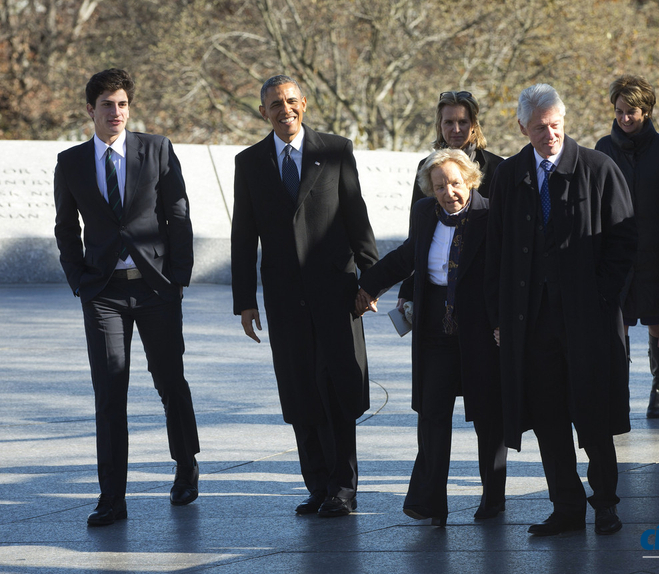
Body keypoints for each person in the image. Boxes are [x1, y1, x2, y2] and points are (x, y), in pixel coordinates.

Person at [486, 84, 636, 537]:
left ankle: (605, 504)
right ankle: (566, 508)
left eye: (555, 126)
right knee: (548, 419)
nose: (549, 135)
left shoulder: (598, 167)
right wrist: (498, 316)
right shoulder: (509, 175)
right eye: (539, 128)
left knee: (593, 414)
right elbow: (496, 250)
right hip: (531, 322)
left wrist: (601, 298)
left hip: (587, 320)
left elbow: (624, 242)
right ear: (522, 128)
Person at [54, 68, 200, 526]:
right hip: (103, 293)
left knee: (170, 381)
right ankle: (112, 497)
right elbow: (65, 227)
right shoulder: (71, 162)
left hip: (156, 287)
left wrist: (178, 278)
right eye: (107, 105)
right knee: (109, 391)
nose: (116, 112)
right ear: (90, 110)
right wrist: (79, 280)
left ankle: (186, 465)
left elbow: (178, 212)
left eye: (122, 104)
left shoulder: (157, 149)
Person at [231, 74, 378, 518]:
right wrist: (244, 300)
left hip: (336, 293)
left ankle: (343, 487)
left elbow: (356, 215)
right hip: (284, 298)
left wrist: (371, 280)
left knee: (337, 388)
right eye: (275, 104)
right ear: (264, 112)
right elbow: (243, 236)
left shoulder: (335, 150)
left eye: (291, 101)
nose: (285, 110)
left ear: (305, 103)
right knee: (300, 391)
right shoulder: (249, 162)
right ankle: (317, 485)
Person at [357, 149, 507, 527]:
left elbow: (508, 271)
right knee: (433, 414)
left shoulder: (492, 214)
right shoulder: (426, 213)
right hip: (435, 329)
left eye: (455, 183)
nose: (448, 192)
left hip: (480, 330)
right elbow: (406, 256)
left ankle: (492, 496)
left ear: (470, 180)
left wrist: (504, 320)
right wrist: (367, 287)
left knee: (488, 416)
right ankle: (430, 503)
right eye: (439, 186)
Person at [595, 75, 659, 419]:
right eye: (619, 111)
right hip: (617, 253)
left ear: (646, 111)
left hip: (655, 253)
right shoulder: (603, 148)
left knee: (657, 323)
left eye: (632, 112)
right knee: (618, 324)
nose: (624, 118)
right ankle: (619, 390)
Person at [398, 91, 503, 306]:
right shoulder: (426, 167)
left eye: (463, 122)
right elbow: (416, 235)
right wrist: (408, 289)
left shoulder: (498, 168)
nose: (456, 129)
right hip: (434, 288)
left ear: (473, 125)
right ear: (439, 125)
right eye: (449, 122)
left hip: (481, 288)